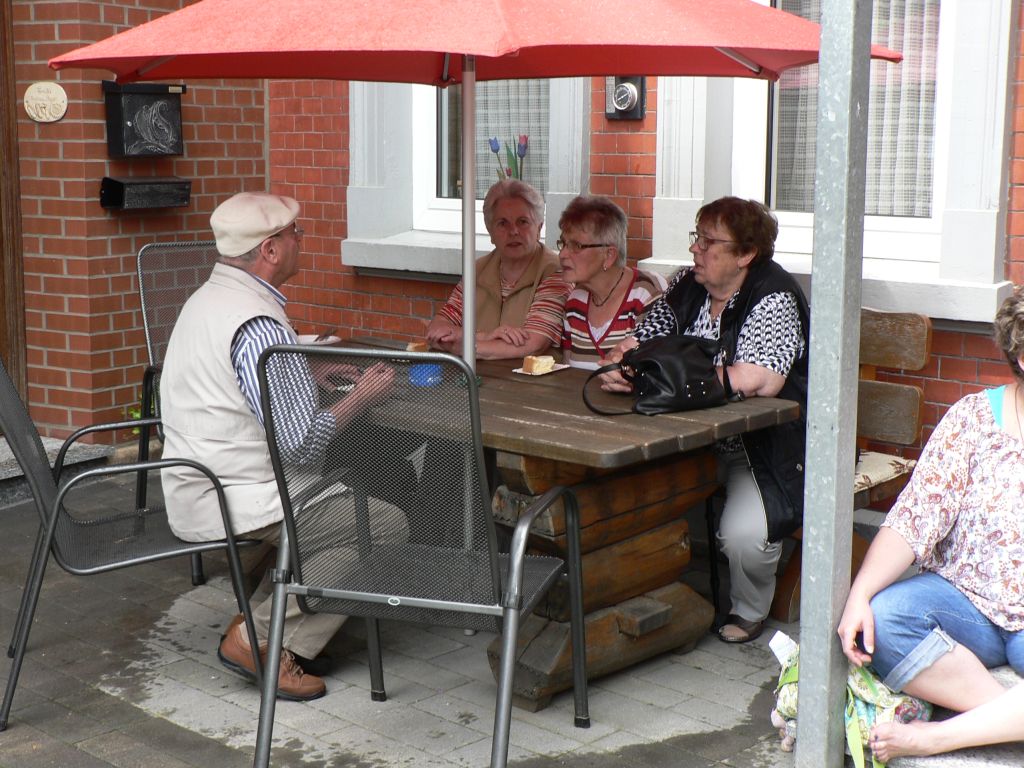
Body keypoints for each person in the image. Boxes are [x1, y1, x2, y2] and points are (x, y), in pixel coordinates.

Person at [160, 191, 394, 701]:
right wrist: (362, 397)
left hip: (201, 479)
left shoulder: (209, 299)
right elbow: (301, 444)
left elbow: (242, 389)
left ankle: (264, 624)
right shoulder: (259, 326)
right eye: (294, 233)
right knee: (382, 523)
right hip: (237, 493)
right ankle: (261, 636)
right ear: (269, 250)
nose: (300, 240)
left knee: (346, 503)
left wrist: (306, 375)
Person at [601, 197, 809, 643]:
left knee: (744, 536)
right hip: (682, 441)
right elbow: (641, 340)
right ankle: (629, 597)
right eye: (697, 237)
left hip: (759, 447)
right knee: (617, 496)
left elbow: (761, 378)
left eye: (708, 241)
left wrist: (662, 381)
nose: (695, 249)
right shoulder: (687, 284)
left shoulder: (773, 296)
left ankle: (749, 609)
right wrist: (624, 365)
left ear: (746, 253)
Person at [837, 286, 1024, 762]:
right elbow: (916, 516)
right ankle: (1004, 719)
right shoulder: (974, 420)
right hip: (968, 602)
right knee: (884, 620)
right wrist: (860, 595)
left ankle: (943, 736)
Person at [425, 179, 570, 359]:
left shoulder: (555, 272)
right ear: (490, 232)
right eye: (503, 223)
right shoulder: (477, 270)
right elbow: (436, 330)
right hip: (475, 374)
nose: (513, 231)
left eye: (523, 222)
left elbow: (533, 344)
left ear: (539, 228)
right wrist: (484, 337)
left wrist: (465, 346)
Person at [557, 195, 667, 369]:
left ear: (609, 255)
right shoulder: (575, 301)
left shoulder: (646, 293)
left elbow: (655, 370)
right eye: (563, 244)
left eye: (576, 246)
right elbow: (566, 373)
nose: (562, 254)